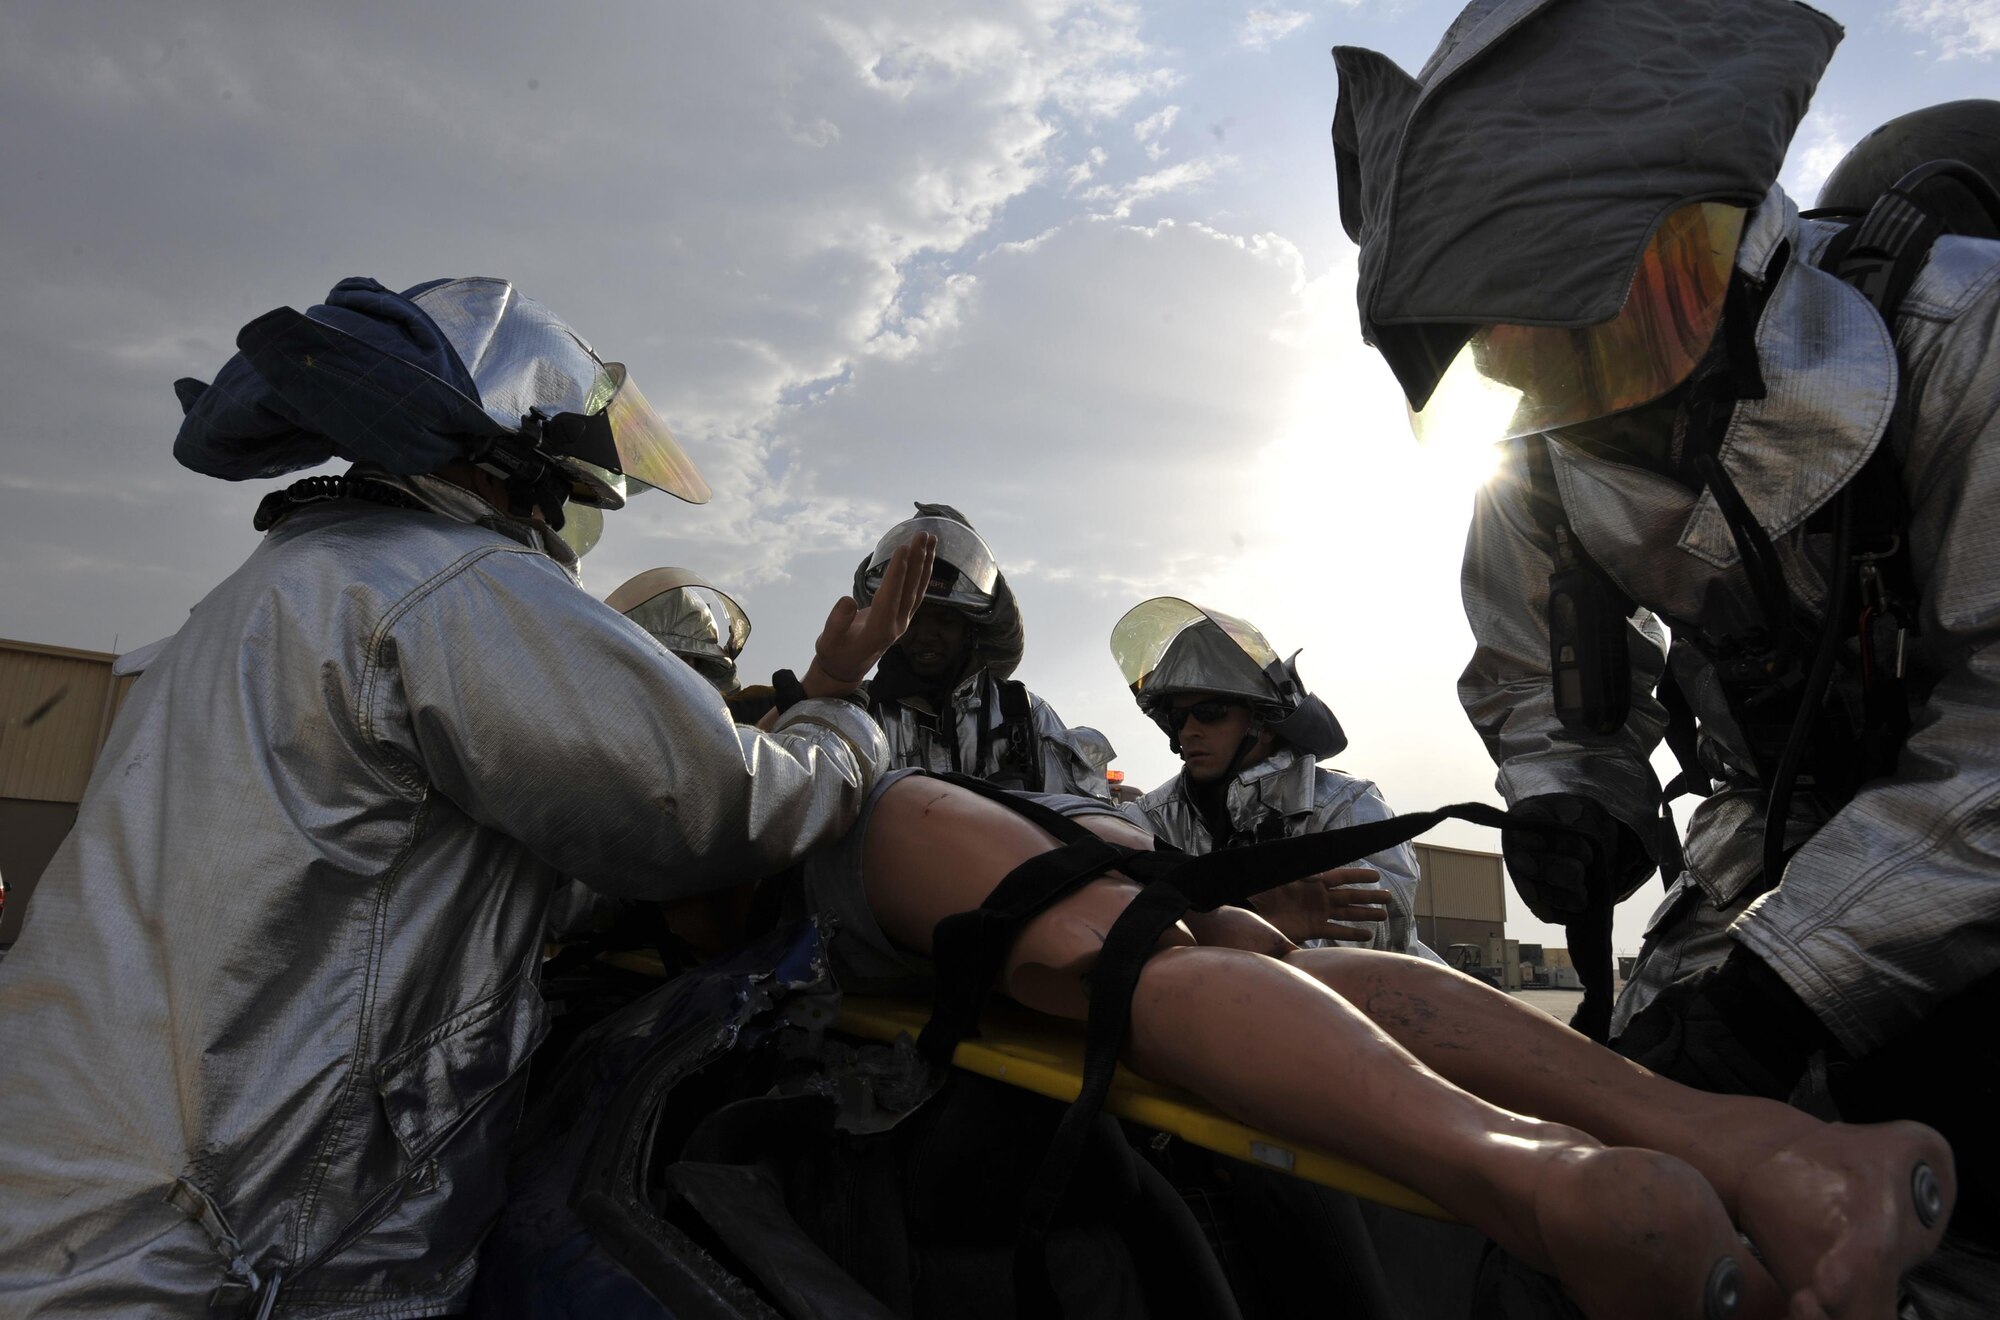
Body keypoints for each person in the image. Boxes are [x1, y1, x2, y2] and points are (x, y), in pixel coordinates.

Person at [0, 275, 937, 1318]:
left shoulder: (270, 593)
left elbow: (400, 880)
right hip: (235, 1255)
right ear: (521, 459)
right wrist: (842, 710)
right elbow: (719, 808)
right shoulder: (447, 584)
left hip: (85, 1214)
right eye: (572, 496)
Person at [1330, 0, 2000, 1308]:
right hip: (1771, 848)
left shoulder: (1969, 346)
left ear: (1730, 256)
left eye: (1615, 324)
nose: (1587, 387)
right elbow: (1545, 695)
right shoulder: (1537, 457)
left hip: (1971, 860)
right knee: (1624, 1161)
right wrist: (1575, 800)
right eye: (1529, 350)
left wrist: (1786, 988)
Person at [805, 767, 1957, 1320]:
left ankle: (1553, 1181)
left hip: (921, 826)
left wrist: (822, 706)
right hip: (1069, 846)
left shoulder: (1315, 789)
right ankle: (1777, 1157)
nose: (1192, 734)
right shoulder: (1127, 784)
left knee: (1138, 968)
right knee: (1235, 964)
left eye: (1209, 717)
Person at [1110, 596, 1437, 959]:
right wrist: (1248, 917)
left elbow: (1389, 925)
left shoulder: (1347, 806)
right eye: (1178, 717)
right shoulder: (1146, 821)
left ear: (1263, 723)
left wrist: (1284, 931)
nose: (1189, 731)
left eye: (1210, 712)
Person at [854, 503, 1115, 798]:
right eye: (914, 616)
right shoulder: (858, 714)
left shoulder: (1025, 716)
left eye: (946, 618)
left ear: (971, 628)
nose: (927, 634)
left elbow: (1074, 825)